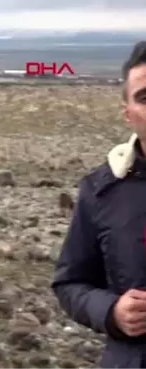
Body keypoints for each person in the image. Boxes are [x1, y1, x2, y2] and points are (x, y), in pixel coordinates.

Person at [52, 41, 146, 368]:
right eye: (145, 97)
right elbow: (69, 283)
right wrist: (111, 311)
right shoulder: (101, 190)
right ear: (128, 114)